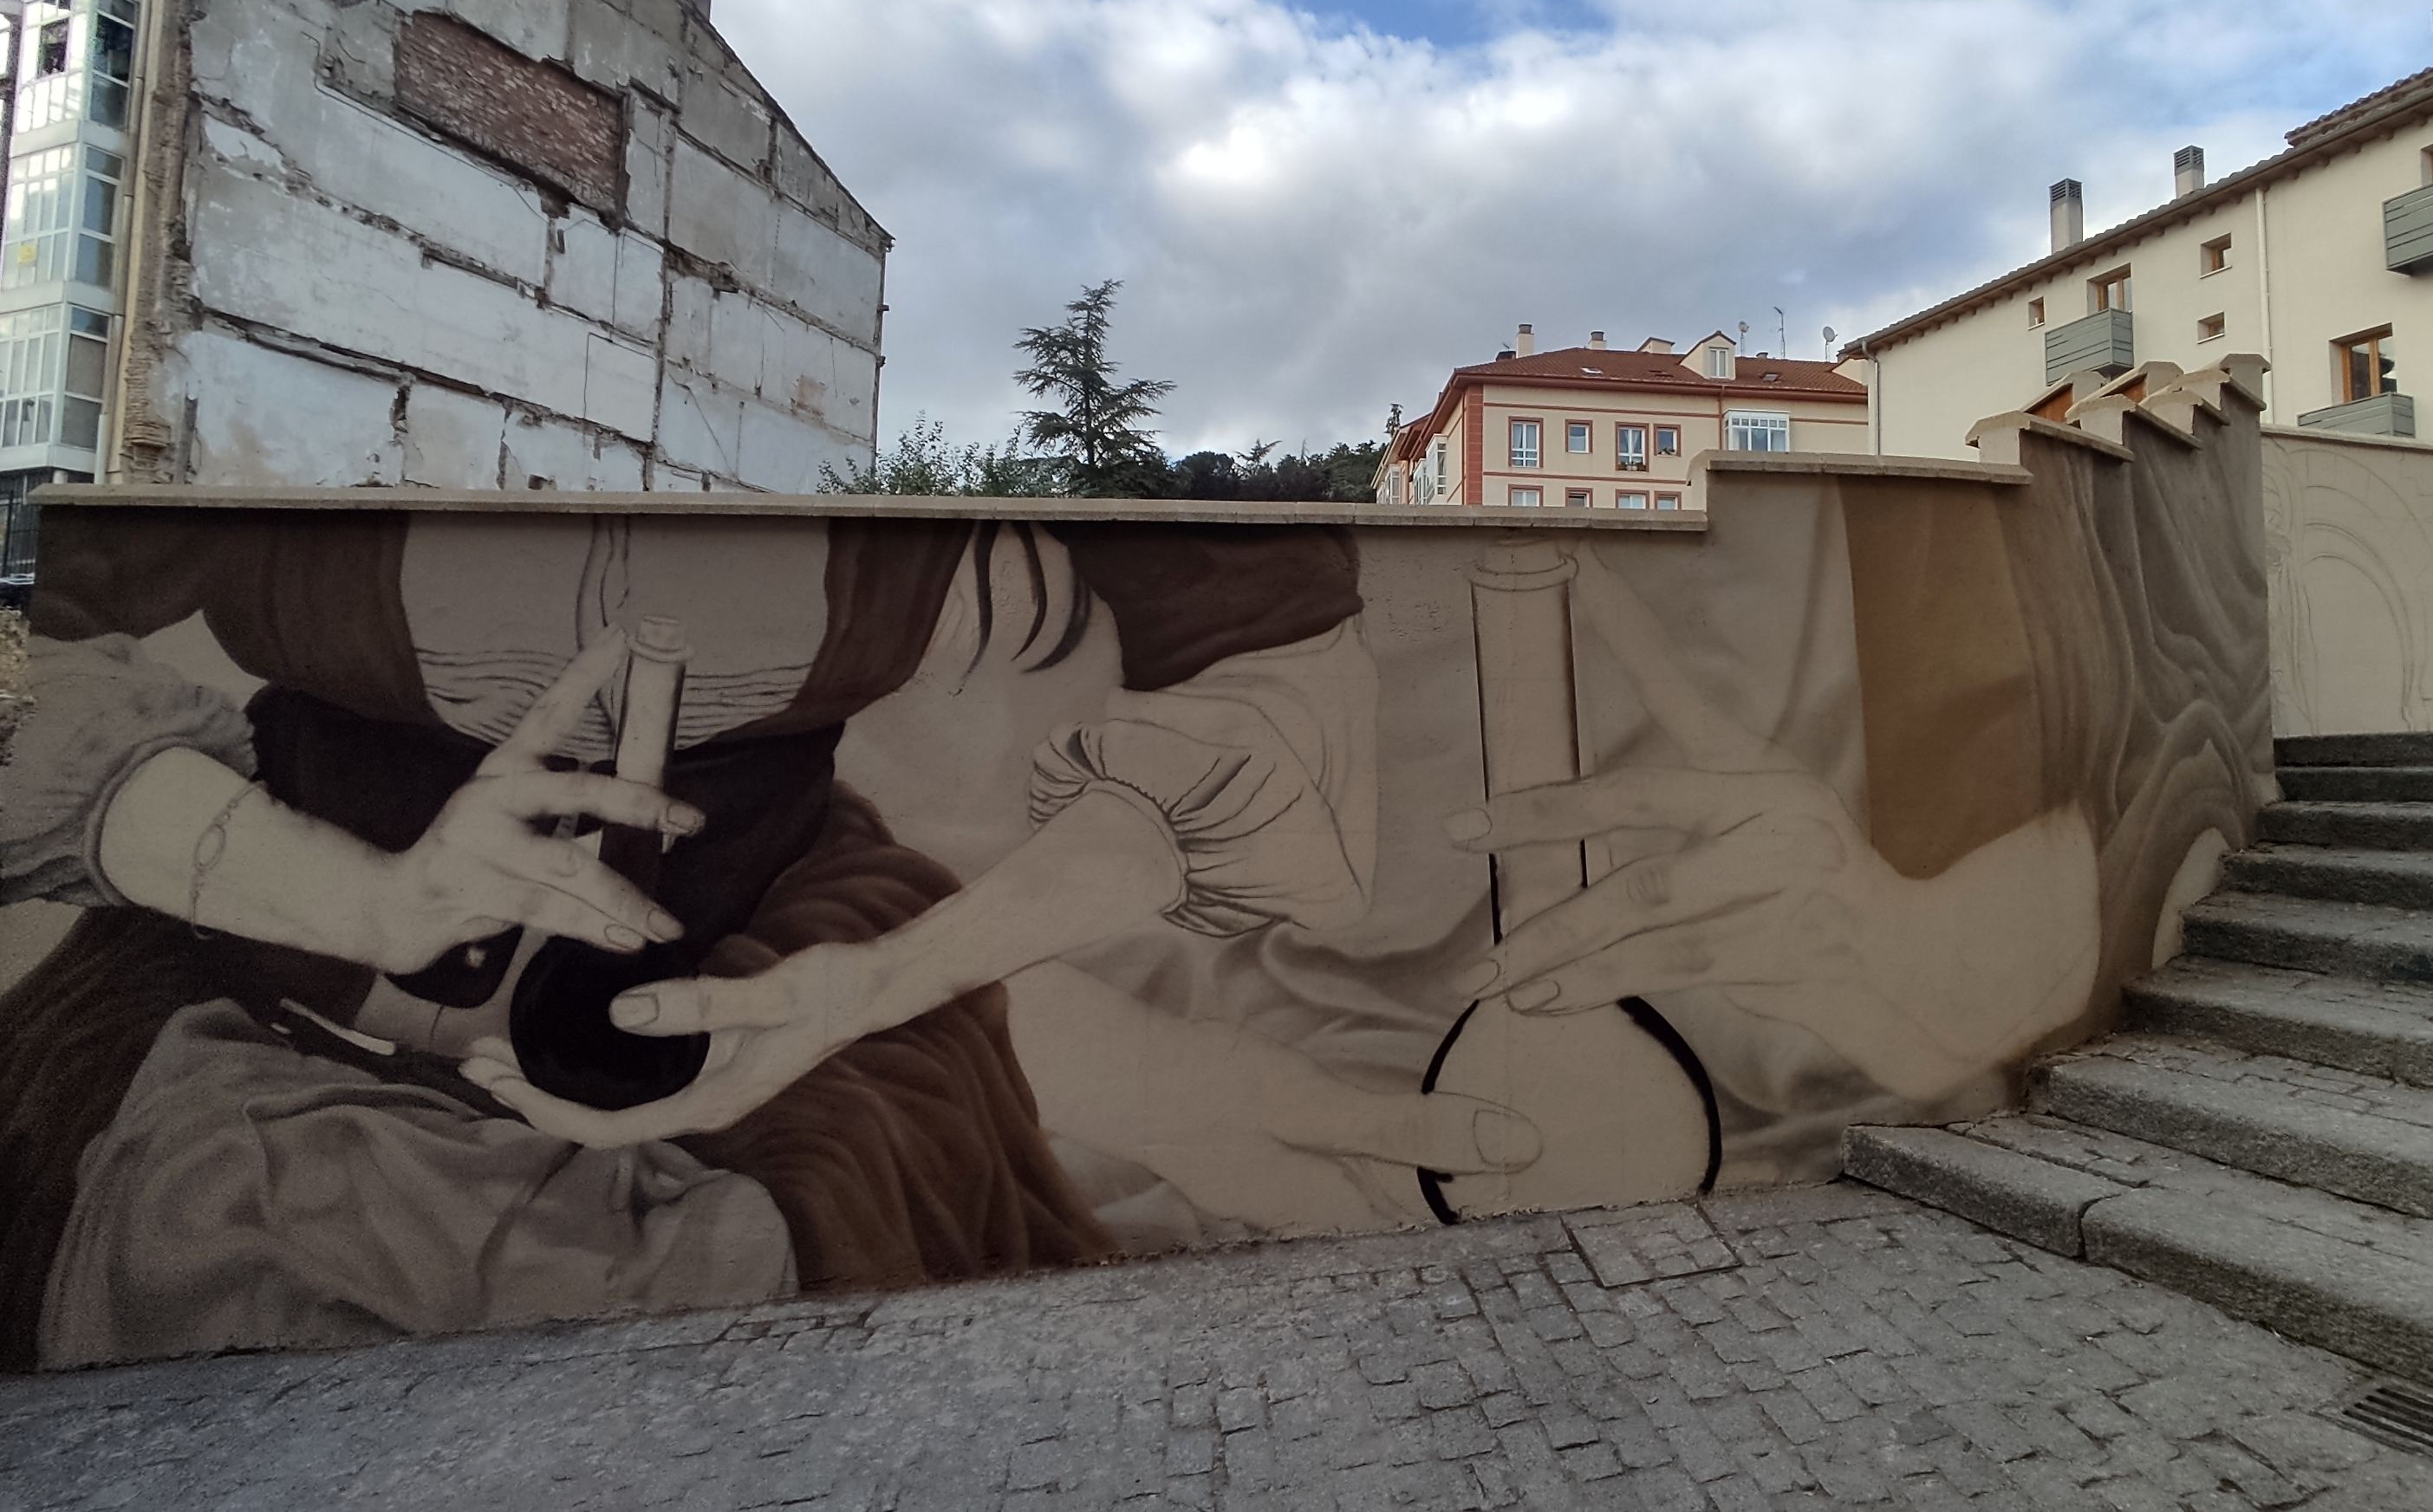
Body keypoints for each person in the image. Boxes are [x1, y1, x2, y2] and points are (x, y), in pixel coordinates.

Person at [0, 505, 1539, 1368]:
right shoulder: (252, 438)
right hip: (242, 994)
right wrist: (360, 898)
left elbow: (1264, 719)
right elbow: (27, 687)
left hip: (801, 982)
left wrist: (883, 987)